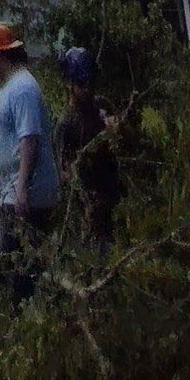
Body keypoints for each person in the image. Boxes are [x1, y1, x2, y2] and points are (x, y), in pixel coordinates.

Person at [0, 22, 59, 299]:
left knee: (22, 266)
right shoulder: (13, 86)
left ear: (3, 56)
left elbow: (30, 139)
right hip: (12, 191)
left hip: (26, 195)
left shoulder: (23, 89)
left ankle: (27, 316)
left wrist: (22, 188)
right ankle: (25, 314)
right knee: (13, 260)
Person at [55, 47, 121, 255]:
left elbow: (128, 141)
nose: (88, 89)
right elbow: (63, 172)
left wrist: (117, 130)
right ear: (70, 84)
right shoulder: (66, 123)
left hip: (114, 196)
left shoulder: (102, 106)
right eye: (82, 84)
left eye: (91, 83)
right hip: (86, 205)